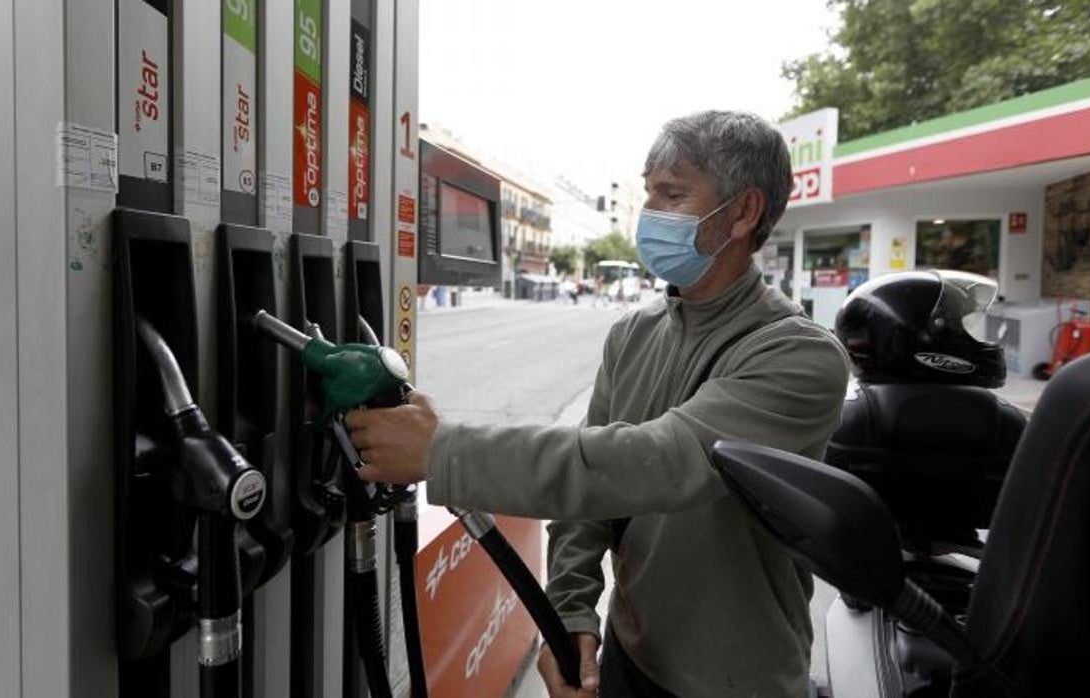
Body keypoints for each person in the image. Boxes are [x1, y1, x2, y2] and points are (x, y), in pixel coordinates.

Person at [346, 110, 850, 697]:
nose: (650, 212)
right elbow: (590, 506)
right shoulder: (634, 336)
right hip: (628, 659)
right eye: (648, 192)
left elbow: (659, 460)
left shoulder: (800, 356)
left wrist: (443, 449)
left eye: (673, 193)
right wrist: (572, 612)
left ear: (742, 212)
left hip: (738, 681)